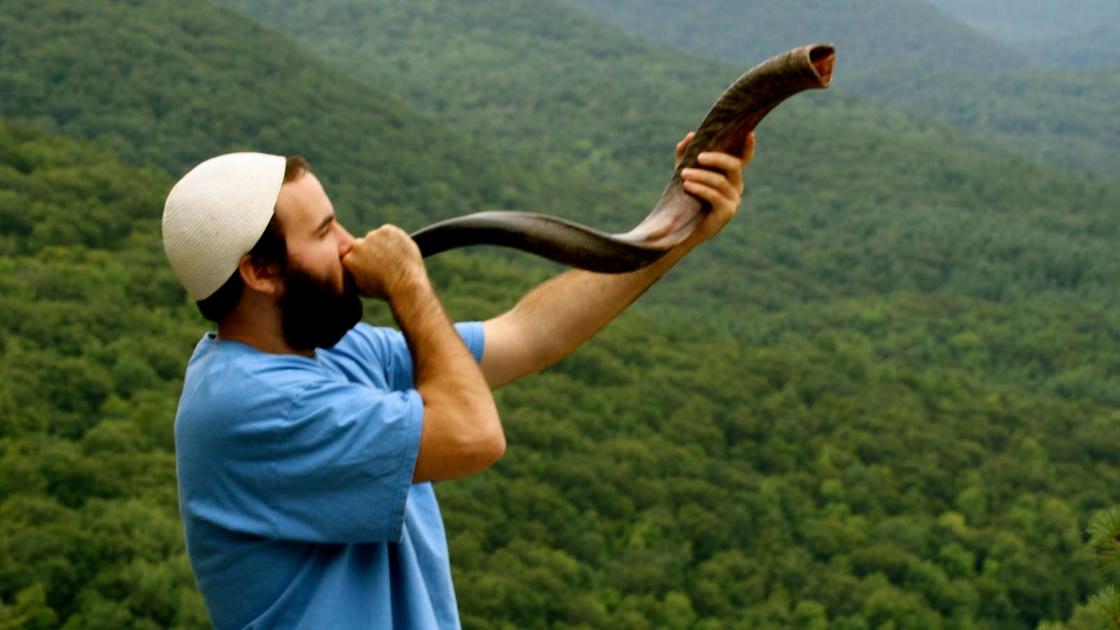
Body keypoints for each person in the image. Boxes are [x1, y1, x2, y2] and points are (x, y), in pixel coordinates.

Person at [162, 131, 756, 629]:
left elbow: (527, 335)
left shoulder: (325, 351)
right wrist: (406, 284)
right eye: (323, 233)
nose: (349, 245)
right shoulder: (254, 409)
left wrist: (679, 230)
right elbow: (474, 433)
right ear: (260, 271)